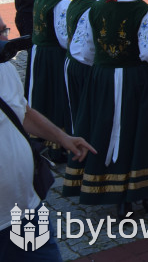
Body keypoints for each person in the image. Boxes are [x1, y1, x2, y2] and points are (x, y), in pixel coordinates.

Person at [64, 0, 148, 215]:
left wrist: (105, 65)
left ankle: (113, 193)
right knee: (139, 132)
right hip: (137, 82)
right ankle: (145, 191)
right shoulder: (143, 11)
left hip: (102, 81)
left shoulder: (94, 9)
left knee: (104, 128)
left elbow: (81, 50)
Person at [2, 49, 96, 262]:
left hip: (25, 209)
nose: (5, 41)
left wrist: (63, 138)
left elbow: (22, 112)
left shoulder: (4, 67)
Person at [24, 0, 80, 153]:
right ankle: (57, 144)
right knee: (57, 97)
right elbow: (64, 38)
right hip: (53, 58)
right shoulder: (62, 3)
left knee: (43, 94)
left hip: (39, 54)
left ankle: (42, 138)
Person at [64, 0, 110, 130]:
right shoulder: (95, 8)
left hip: (73, 61)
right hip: (85, 66)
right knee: (89, 115)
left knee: (79, 111)